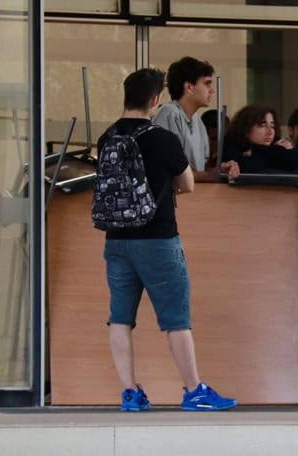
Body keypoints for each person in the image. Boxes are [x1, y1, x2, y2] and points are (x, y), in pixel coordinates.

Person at [100, 68, 237, 412]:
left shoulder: (107, 138)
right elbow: (188, 183)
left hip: (116, 239)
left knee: (120, 317)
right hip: (158, 238)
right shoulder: (161, 138)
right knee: (176, 318)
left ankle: (130, 393)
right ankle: (194, 390)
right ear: (154, 100)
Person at [152, 56, 217, 183]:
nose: (212, 90)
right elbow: (171, 169)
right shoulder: (168, 114)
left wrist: (221, 170)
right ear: (189, 87)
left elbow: (200, 167)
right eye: (207, 84)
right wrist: (211, 176)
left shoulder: (197, 120)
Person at [219, 104, 298, 178]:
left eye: (272, 126)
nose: (270, 131)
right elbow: (246, 166)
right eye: (262, 125)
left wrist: (256, 151)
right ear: (246, 129)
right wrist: (276, 153)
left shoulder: (277, 144)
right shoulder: (230, 145)